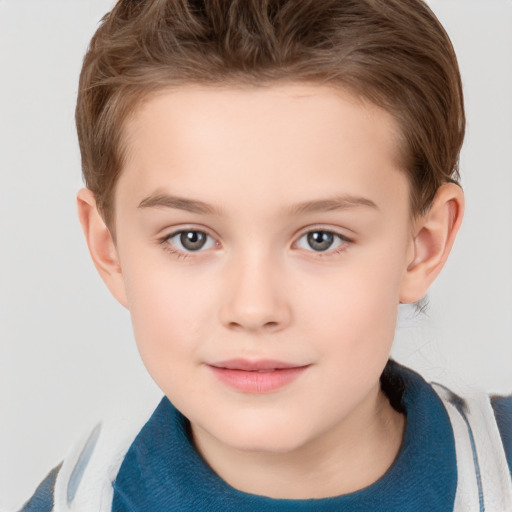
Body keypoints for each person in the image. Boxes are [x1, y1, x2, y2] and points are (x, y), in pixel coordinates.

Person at [19, 0, 512, 511]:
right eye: (191, 238)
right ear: (110, 248)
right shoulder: (73, 501)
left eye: (321, 238)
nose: (254, 309)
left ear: (423, 246)